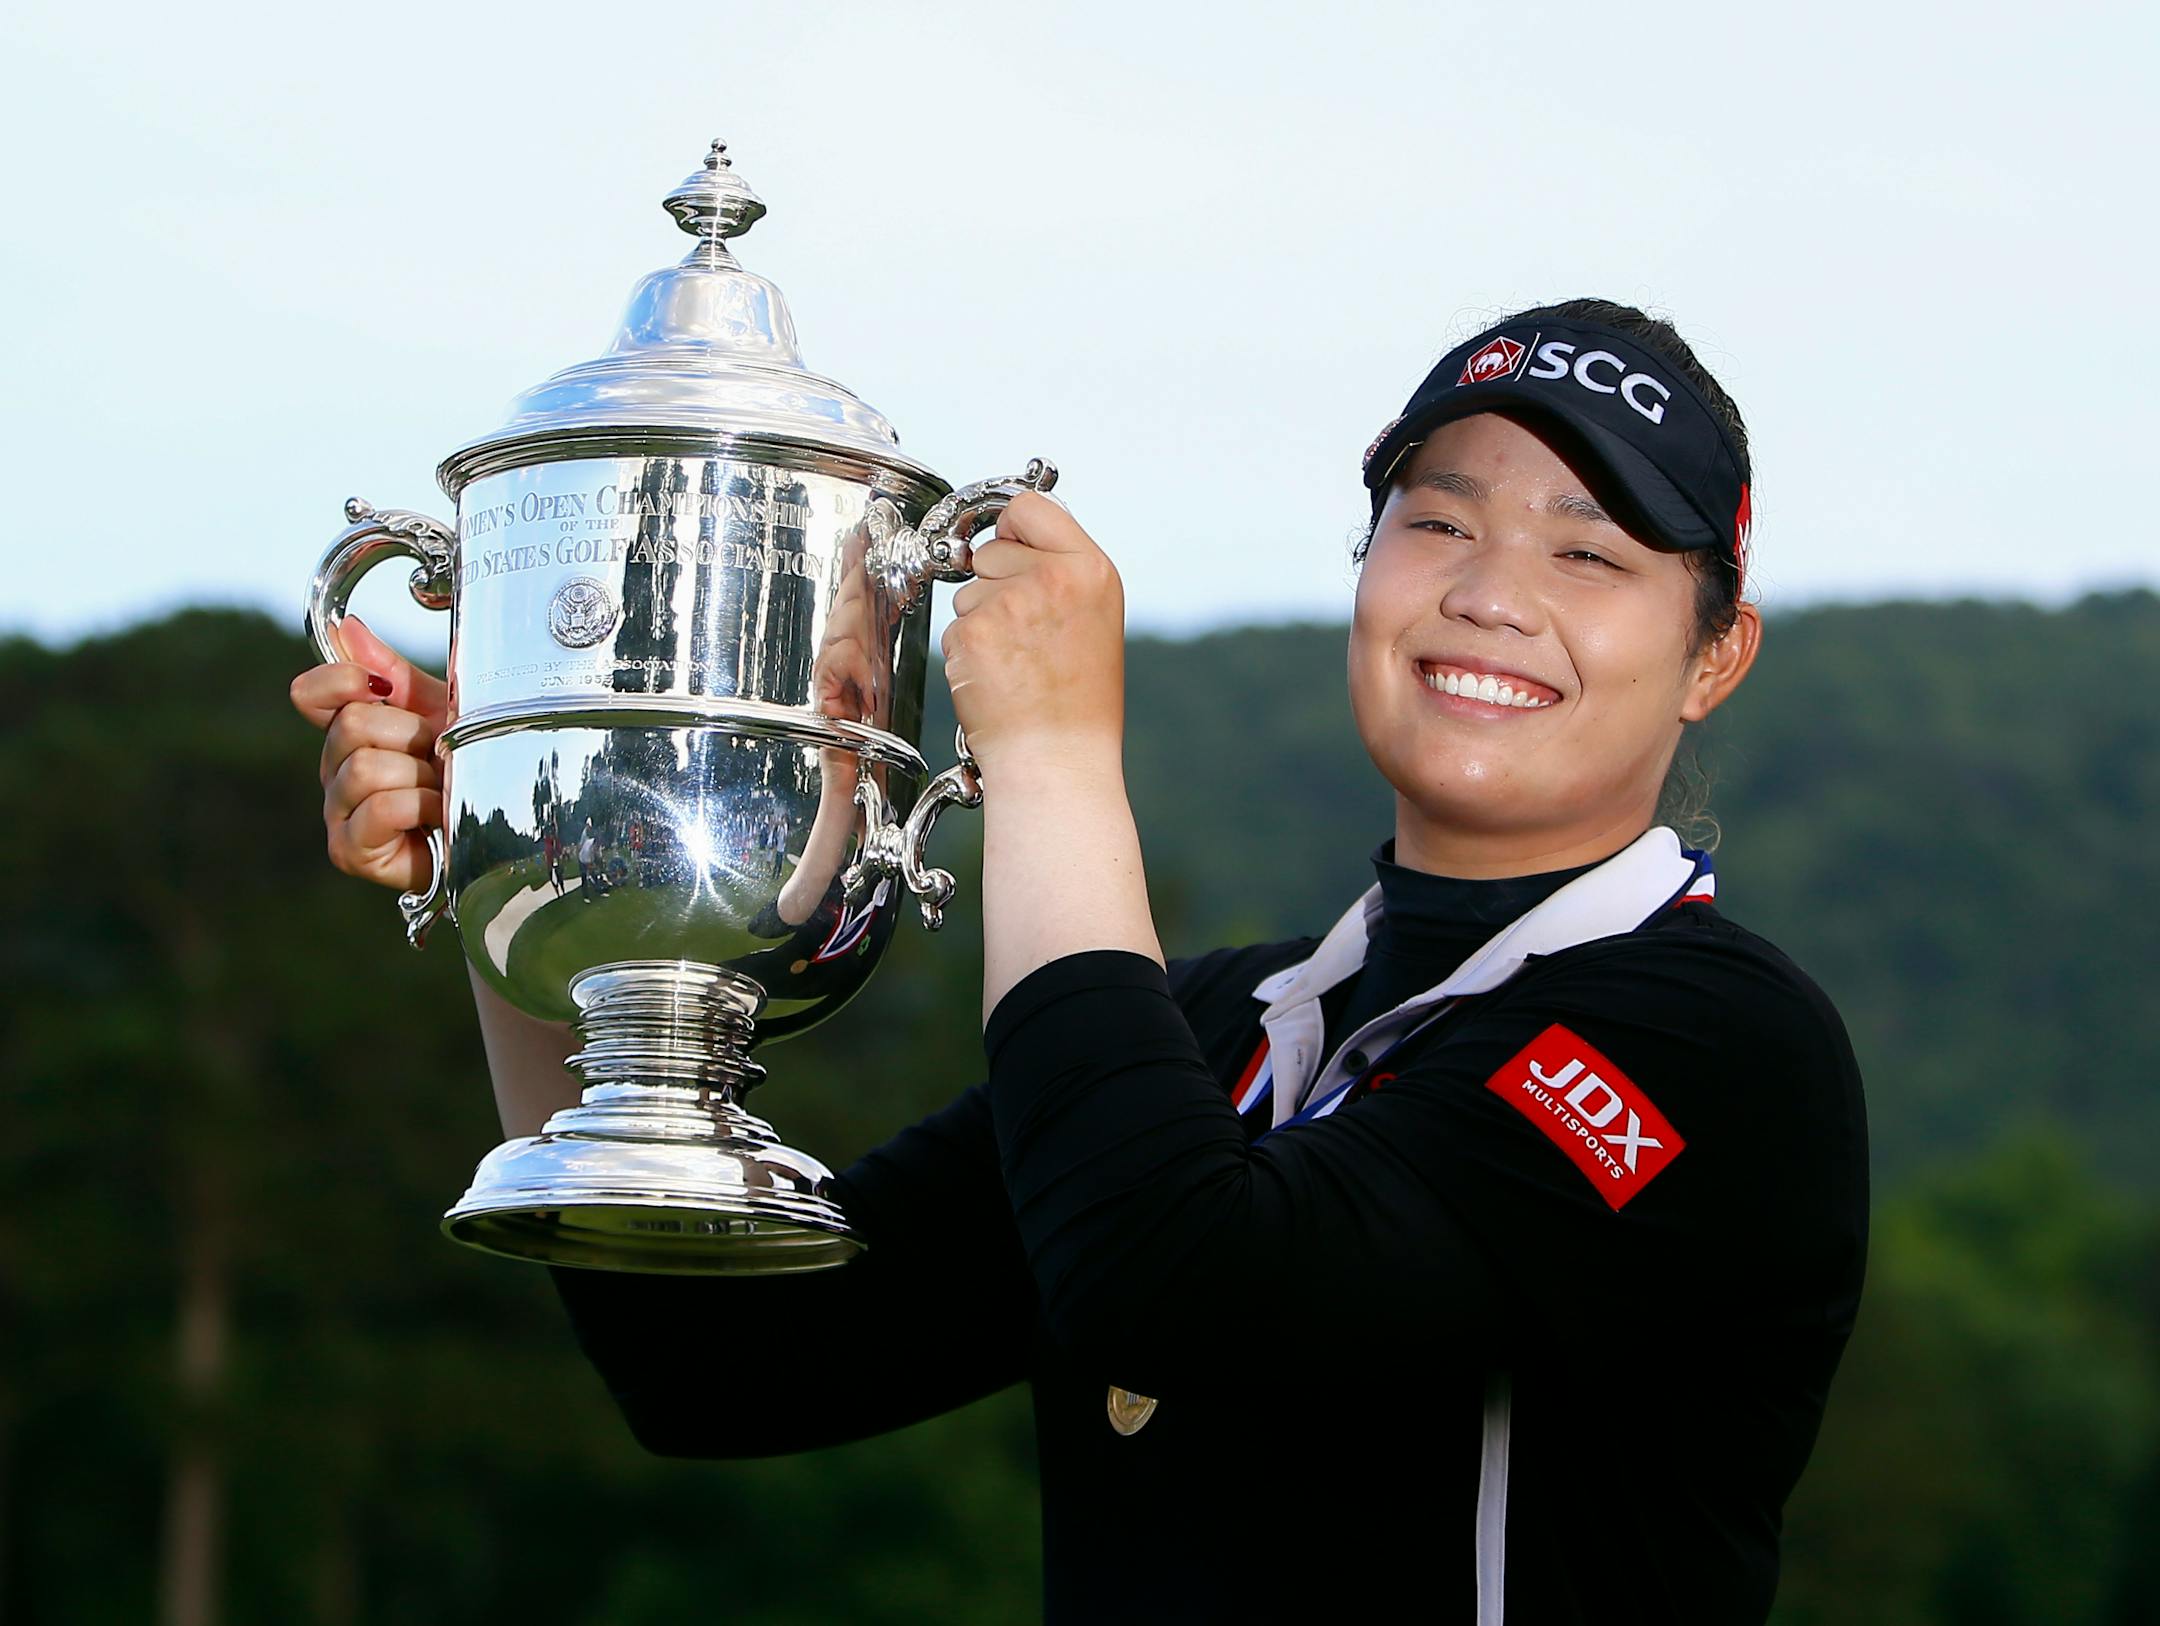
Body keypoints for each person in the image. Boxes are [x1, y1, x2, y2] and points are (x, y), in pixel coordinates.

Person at [291, 297, 1867, 1623]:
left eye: (1589, 555)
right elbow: (713, 1365)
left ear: (1713, 656)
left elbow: (1179, 1286)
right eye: (1438, 519)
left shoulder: (1714, 1043)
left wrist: (1048, 760)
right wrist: (533, 870)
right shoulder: (1217, 1034)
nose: (1489, 589)